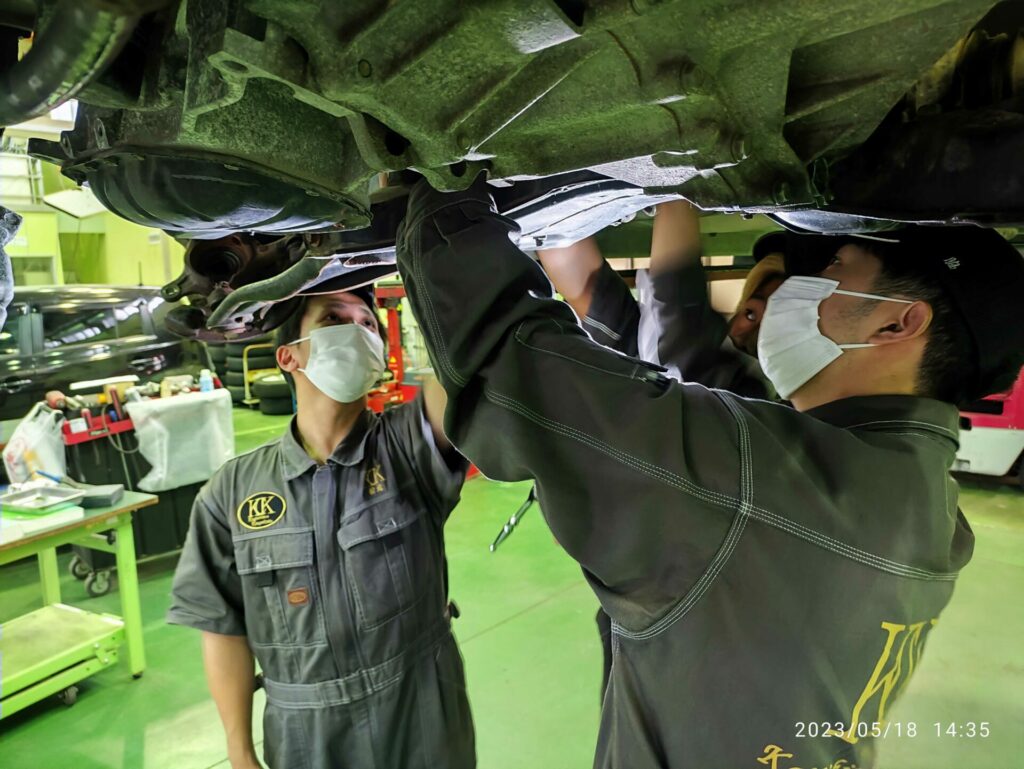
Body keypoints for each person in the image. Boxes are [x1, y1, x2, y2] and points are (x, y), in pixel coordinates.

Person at [395, 175, 1024, 769]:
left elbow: (512, 367)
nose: (799, 289)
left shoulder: (770, 484)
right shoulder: (922, 502)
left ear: (898, 321)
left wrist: (442, 190)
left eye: (835, 270)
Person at [167, 286, 475, 769]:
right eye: (334, 319)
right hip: (305, 734)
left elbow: (461, 372)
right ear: (289, 356)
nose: (357, 330)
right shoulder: (233, 490)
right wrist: (240, 750)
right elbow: (221, 626)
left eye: (368, 324)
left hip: (421, 713)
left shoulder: (409, 445)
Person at [539, 201, 786, 695]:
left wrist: (676, 175)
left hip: (693, 623)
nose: (746, 326)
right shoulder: (681, 367)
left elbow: (675, 306)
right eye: (749, 310)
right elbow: (595, 295)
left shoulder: (757, 404)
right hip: (654, 613)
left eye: (772, 315)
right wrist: (553, 209)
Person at [538, 200, 786, 397]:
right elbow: (588, 289)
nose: (749, 327)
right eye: (751, 312)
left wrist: (677, 186)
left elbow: (678, 302)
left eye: (772, 321)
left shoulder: (747, 394)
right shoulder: (654, 361)